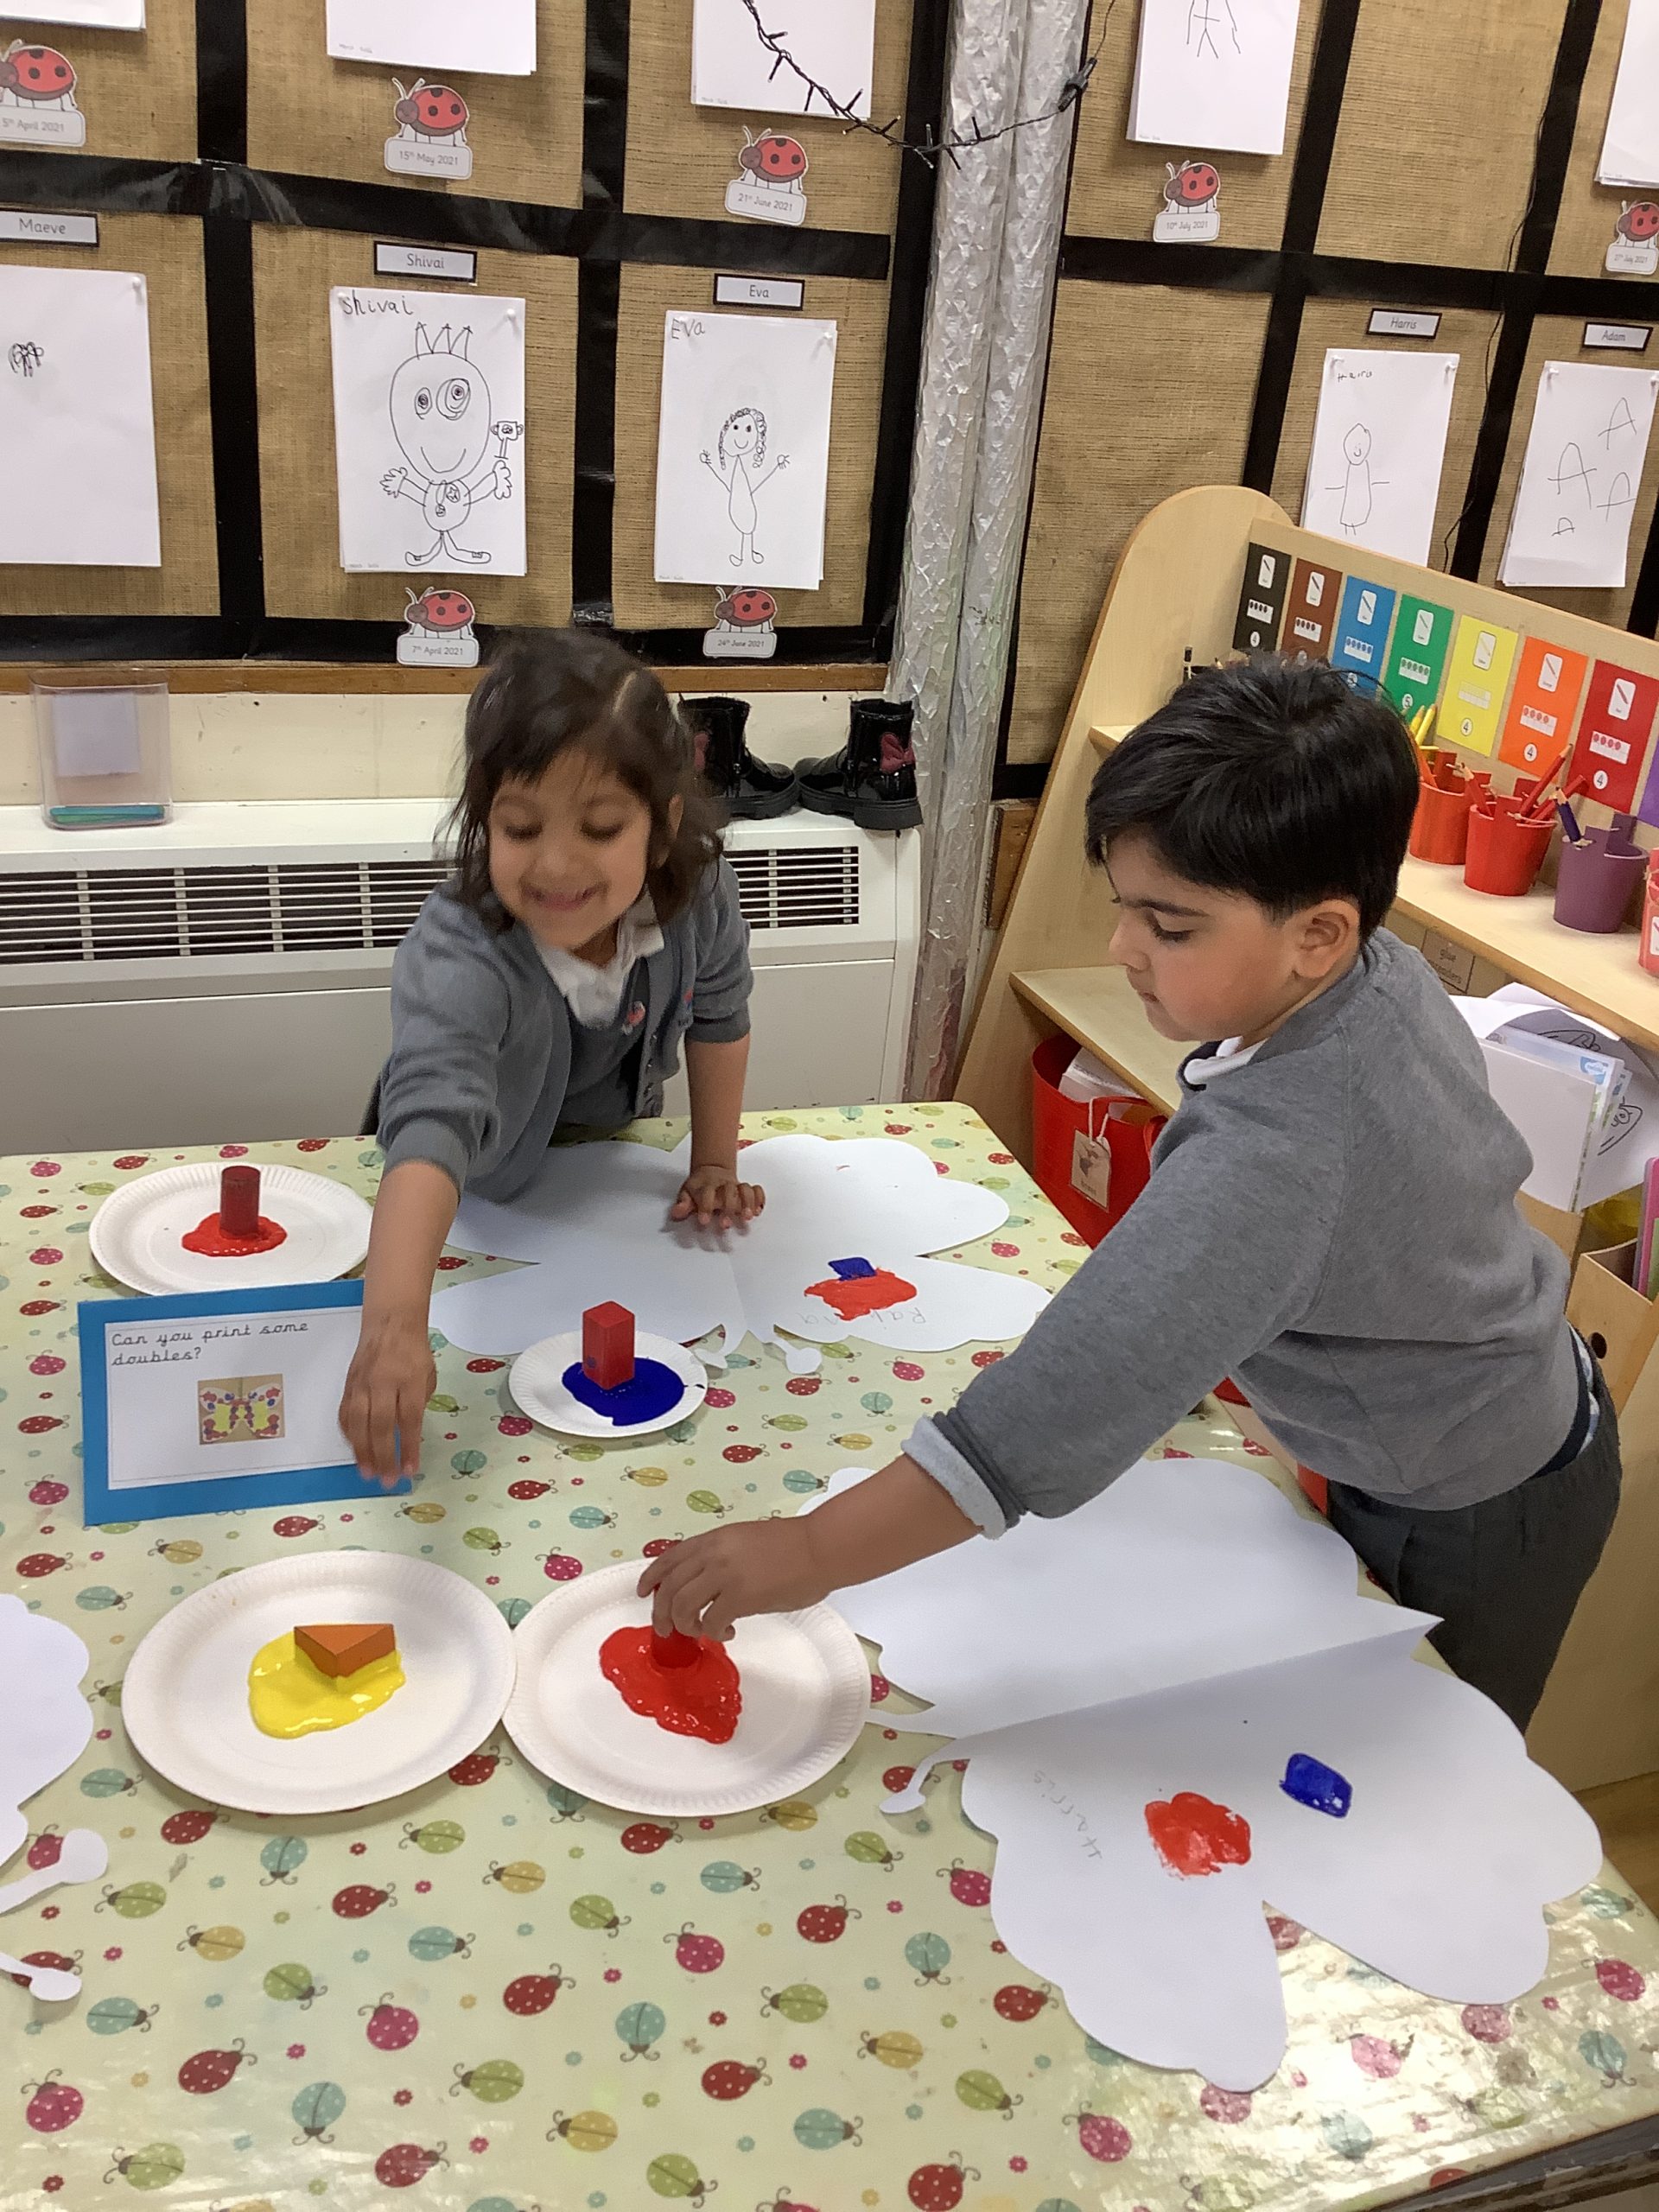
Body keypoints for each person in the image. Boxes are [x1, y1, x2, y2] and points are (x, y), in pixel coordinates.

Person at [641, 657, 1623, 1731]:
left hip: (1474, 1498)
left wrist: (809, 1550)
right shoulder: (1366, 971)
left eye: (1171, 926)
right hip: (1477, 1402)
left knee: (1415, 1754)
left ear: (1319, 933)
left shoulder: (1283, 1154)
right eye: (1125, 908)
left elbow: (1041, 1421)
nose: (1122, 949)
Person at [343, 631, 761, 1484]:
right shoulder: (464, 944)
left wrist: (714, 1160)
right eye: (521, 827)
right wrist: (392, 1328)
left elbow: (719, 1015)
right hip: (471, 1199)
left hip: (604, 1188)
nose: (557, 864)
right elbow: (433, 1117)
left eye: (600, 828)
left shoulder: (699, 893)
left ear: (662, 827)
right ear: (483, 818)